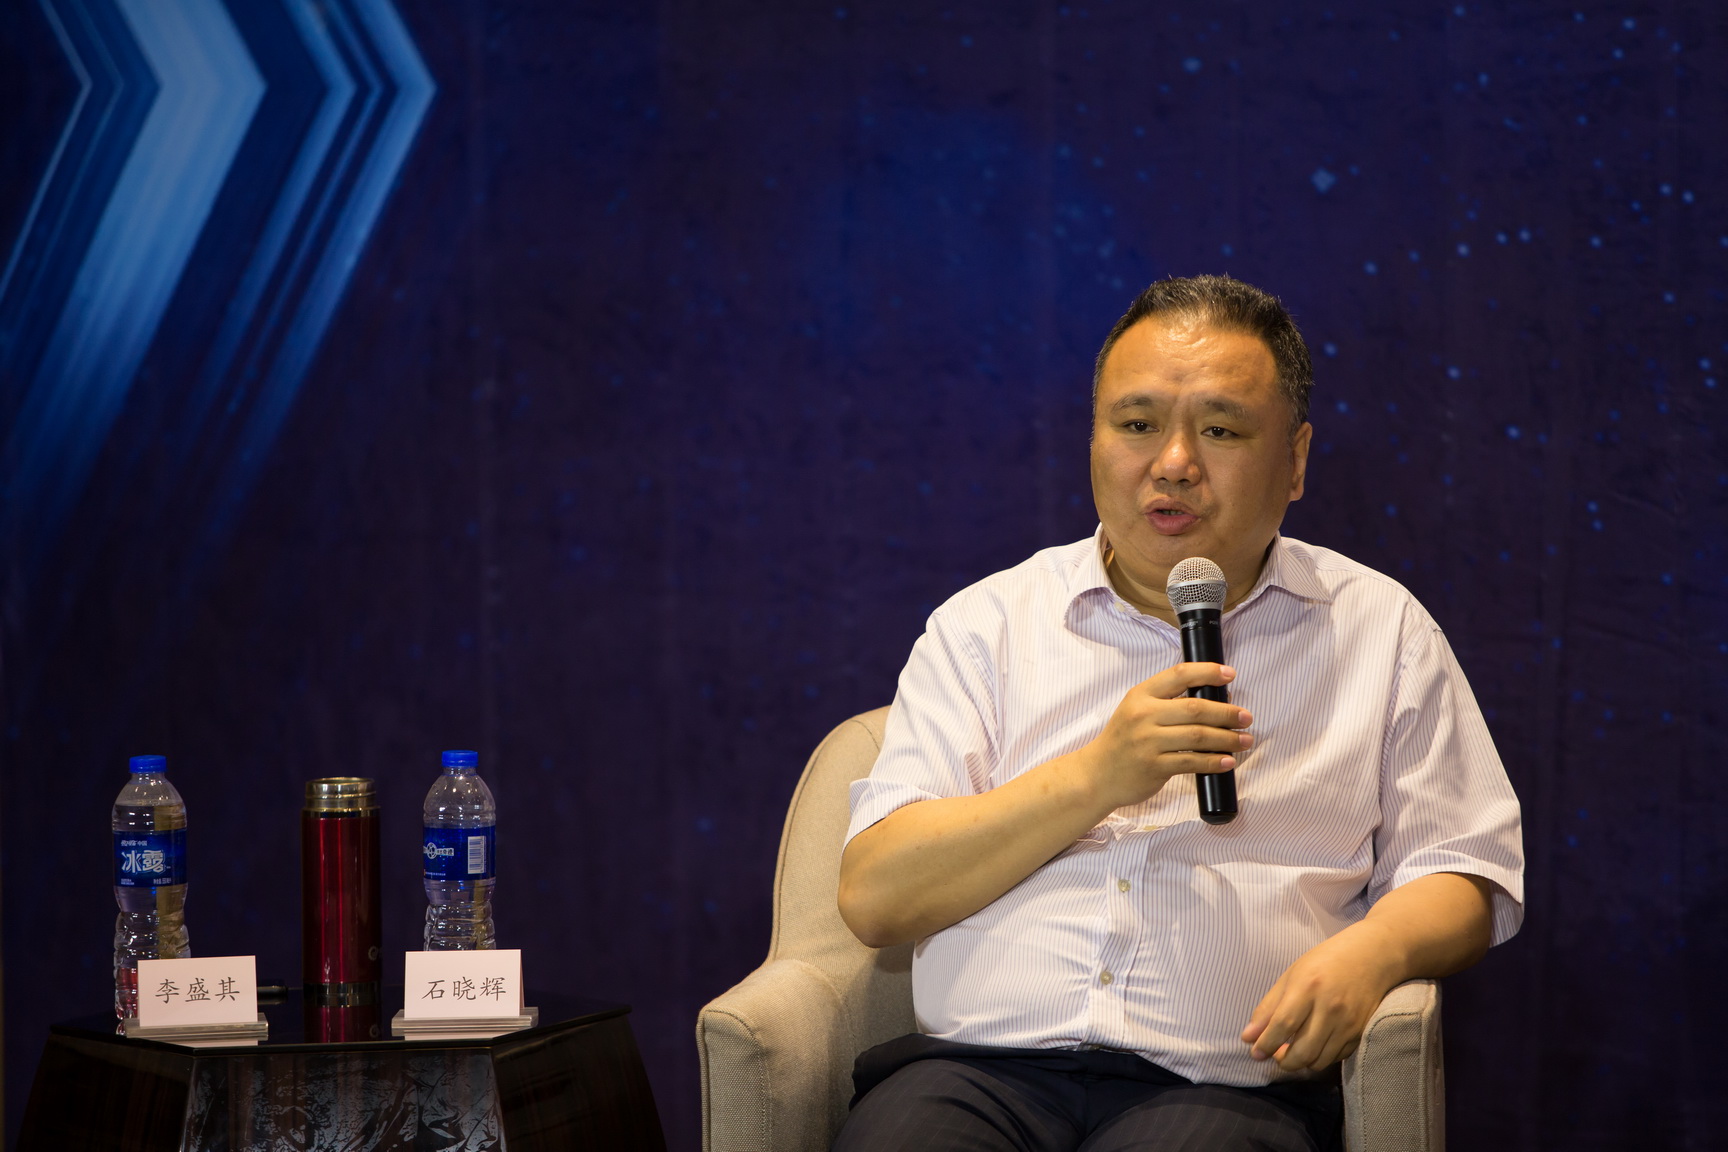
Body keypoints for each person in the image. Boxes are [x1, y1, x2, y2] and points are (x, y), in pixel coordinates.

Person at [833, 275, 1524, 1151]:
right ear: (1093, 440)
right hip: (977, 1072)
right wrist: (1097, 776)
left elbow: (1465, 870)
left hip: (1225, 1088)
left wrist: (1375, 949)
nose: (1173, 463)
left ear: (1296, 460)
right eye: (1136, 425)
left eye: (1222, 431)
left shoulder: (1380, 631)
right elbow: (876, 898)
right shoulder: (986, 626)